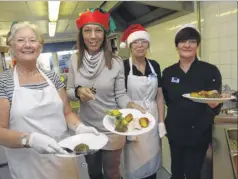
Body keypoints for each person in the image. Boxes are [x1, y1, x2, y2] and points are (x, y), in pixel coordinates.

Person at [0, 21, 98, 179]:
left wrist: (79, 127)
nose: (27, 45)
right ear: (11, 45)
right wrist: (29, 139)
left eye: (32, 40)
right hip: (30, 166)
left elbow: (67, 113)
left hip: (65, 158)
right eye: (20, 40)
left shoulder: (52, 77)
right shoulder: (0, 82)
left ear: (40, 46)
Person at [66, 8, 145, 179]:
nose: (93, 36)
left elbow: (120, 95)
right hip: (87, 127)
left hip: (112, 128)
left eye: (98, 30)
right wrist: (78, 92)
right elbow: (69, 92)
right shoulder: (74, 59)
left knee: (112, 173)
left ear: (104, 34)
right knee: (93, 173)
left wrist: (130, 105)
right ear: (81, 34)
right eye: (88, 30)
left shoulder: (115, 62)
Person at [161, 24, 222, 179]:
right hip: (175, 132)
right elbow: (167, 100)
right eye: (182, 41)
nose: (187, 45)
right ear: (177, 46)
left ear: (198, 46)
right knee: (177, 172)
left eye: (192, 41)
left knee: (194, 173)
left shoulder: (210, 70)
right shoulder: (168, 72)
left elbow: (216, 100)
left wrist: (215, 103)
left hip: (199, 133)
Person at [119, 24, 167, 179]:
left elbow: (159, 96)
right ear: (130, 45)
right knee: (133, 164)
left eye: (143, 41)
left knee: (152, 162)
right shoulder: (123, 66)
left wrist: (161, 122)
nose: (140, 45)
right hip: (131, 119)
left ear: (148, 44)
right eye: (135, 42)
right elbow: (119, 95)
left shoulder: (155, 66)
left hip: (152, 118)